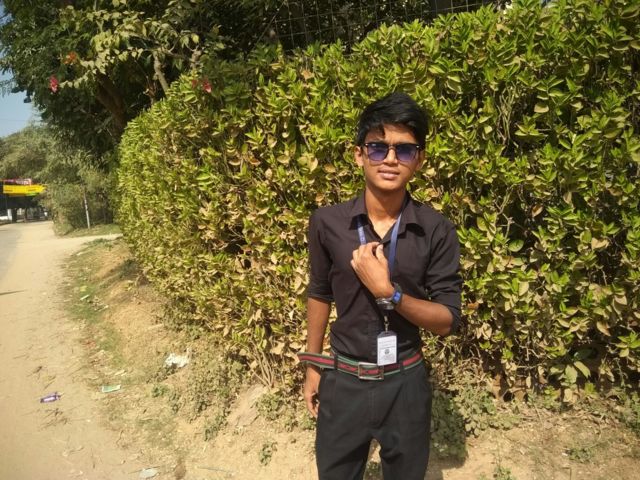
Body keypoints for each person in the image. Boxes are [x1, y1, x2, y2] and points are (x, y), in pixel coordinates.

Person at [299, 92, 462, 480]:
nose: (390, 159)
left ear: (419, 160)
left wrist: (390, 293)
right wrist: (313, 364)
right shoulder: (327, 222)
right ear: (359, 155)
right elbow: (319, 291)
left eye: (404, 150)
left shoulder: (436, 230)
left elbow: (447, 320)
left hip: (405, 383)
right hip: (343, 379)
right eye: (378, 147)